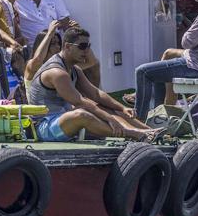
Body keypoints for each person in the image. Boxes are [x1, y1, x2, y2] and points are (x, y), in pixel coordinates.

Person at [28, 28, 156, 142]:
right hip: (43, 128)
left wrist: (122, 108)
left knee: (104, 106)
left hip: (62, 120)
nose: (87, 50)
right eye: (82, 46)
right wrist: (111, 119)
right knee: (82, 114)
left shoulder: (74, 69)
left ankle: (149, 130)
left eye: (88, 46)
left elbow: (96, 94)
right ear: (67, 47)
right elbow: (80, 102)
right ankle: (134, 134)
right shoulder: (57, 73)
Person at [16, 0, 101, 86]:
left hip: (57, 42)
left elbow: (66, 19)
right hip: (37, 47)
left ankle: (96, 97)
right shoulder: (16, 1)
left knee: (92, 60)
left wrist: (65, 25)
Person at [24, 20, 61, 92]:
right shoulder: (31, 65)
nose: (58, 47)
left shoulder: (60, 65)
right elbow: (38, 59)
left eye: (58, 43)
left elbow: (89, 62)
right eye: (53, 43)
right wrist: (49, 33)